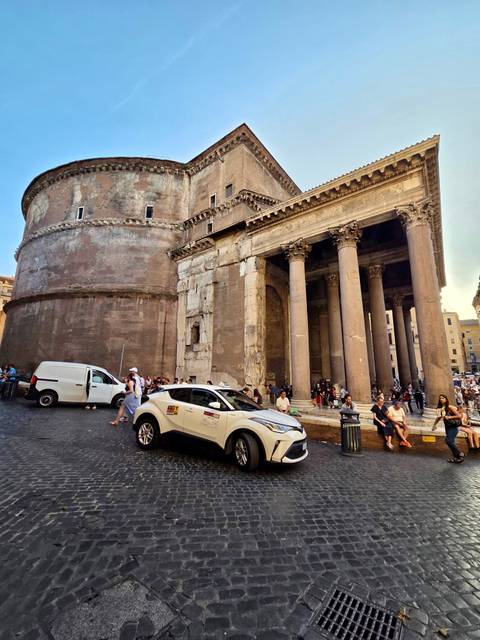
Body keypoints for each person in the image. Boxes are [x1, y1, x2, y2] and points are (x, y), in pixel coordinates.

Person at [433, 394, 465, 463]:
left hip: (453, 427)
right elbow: (438, 417)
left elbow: (459, 416)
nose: (441, 399)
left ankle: (460, 454)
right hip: (447, 426)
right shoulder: (441, 408)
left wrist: (450, 417)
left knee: (448, 441)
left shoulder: (450, 407)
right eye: (440, 398)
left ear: (446, 399)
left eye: (443, 398)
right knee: (451, 442)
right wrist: (434, 425)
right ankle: (456, 458)